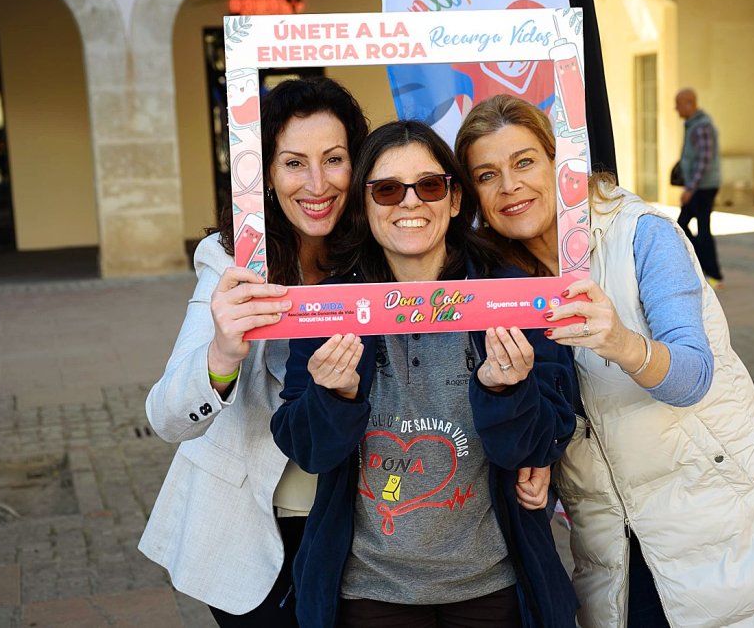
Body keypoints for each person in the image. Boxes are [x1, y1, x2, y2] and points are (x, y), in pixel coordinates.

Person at [455, 94, 754, 628]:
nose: (509, 186)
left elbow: (693, 376)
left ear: (559, 163)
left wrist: (621, 341)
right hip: (611, 537)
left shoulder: (642, 234)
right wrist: (542, 461)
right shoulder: (500, 280)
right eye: (487, 174)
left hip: (717, 518)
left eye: (524, 162)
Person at [270, 120, 579, 628]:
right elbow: (308, 450)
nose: (410, 203)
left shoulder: (508, 294)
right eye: (388, 190)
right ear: (364, 206)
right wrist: (335, 397)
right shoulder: (330, 307)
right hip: (367, 591)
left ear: (454, 200)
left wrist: (506, 391)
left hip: (492, 585)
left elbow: (539, 445)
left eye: (429, 186)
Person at [139, 77, 370, 627]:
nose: (317, 183)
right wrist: (220, 355)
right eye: (294, 163)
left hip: (361, 527)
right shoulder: (229, 261)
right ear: (263, 172)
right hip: (248, 527)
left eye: (334, 159)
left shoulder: (376, 251)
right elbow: (166, 416)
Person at [674, 88, 724, 288]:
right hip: (698, 187)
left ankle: (713, 274)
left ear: (689, 103)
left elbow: (704, 161)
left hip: (703, 188)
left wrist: (690, 189)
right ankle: (703, 267)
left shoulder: (701, 127)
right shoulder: (693, 125)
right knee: (683, 226)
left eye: (678, 104)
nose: (676, 109)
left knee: (701, 230)